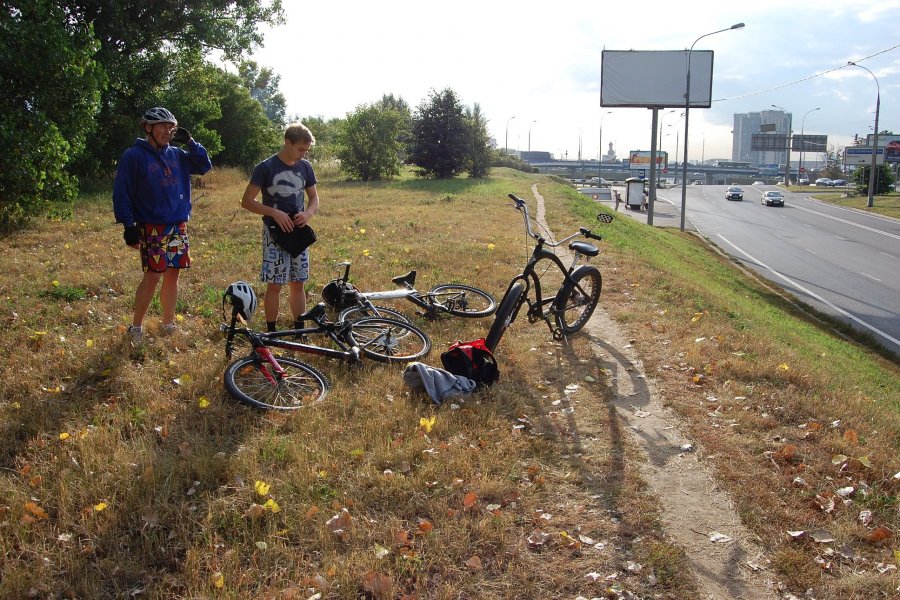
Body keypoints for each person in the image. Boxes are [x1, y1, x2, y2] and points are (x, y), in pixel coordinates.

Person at [113, 107, 212, 344]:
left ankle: (168, 323)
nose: (168, 131)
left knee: (173, 274)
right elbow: (122, 193)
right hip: (151, 226)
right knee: (153, 275)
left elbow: (204, 166)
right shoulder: (134, 156)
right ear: (148, 128)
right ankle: (136, 327)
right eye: (162, 126)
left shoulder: (178, 154)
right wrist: (128, 226)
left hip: (177, 225)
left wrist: (190, 141)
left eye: (171, 127)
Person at [240, 123, 320, 333]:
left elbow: (314, 198)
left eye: (306, 151)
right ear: (287, 142)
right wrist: (274, 212)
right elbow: (247, 201)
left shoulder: (305, 167)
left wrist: (308, 214)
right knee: (275, 284)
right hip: (275, 234)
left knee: (298, 282)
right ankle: (272, 332)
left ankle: (299, 330)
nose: (303, 155)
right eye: (300, 149)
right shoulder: (265, 167)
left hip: (298, 234)